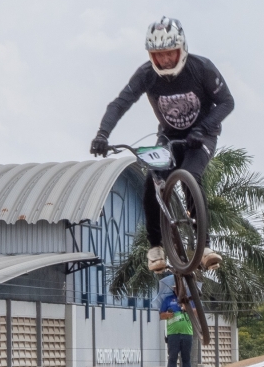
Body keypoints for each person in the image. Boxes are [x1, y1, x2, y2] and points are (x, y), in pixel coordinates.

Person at [90, 16, 234, 273]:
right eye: (159, 55)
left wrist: (202, 128)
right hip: (168, 137)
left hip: (201, 136)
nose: (165, 60)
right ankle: (156, 246)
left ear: (182, 49)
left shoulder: (201, 68)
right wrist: (102, 134)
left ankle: (204, 247)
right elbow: (120, 103)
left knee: (190, 175)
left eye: (170, 53)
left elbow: (227, 102)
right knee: (152, 180)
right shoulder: (146, 74)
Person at [158, 275, 196, 367]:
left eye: (180, 287)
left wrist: (186, 308)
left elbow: (196, 312)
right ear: (173, 289)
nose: (177, 289)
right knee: (172, 358)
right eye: (176, 288)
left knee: (186, 358)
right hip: (173, 333)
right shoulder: (168, 299)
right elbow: (161, 315)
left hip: (187, 332)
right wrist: (168, 314)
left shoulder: (190, 300)